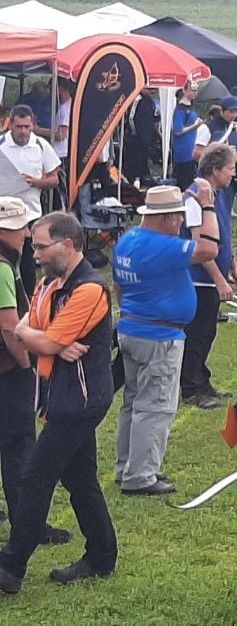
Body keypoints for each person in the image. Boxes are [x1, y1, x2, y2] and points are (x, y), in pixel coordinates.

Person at [0, 212, 117, 594]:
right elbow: (24, 327)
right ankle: (102, 556)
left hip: (81, 400)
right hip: (62, 395)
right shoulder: (50, 284)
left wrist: (49, 340)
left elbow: (40, 337)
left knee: (35, 477)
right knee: (80, 478)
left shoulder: (90, 289)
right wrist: (50, 340)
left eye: (41, 247)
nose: (35, 254)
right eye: (33, 246)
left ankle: (10, 567)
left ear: (67, 244)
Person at [114, 185, 219, 496]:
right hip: (159, 335)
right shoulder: (161, 245)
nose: (182, 223)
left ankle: (128, 466)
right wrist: (207, 207)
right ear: (168, 217)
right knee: (155, 406)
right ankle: (141, 475)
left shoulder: (128, 240)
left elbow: (119, 286)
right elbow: (209, 249)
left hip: (133, 327)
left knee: (133, 403)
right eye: (179, 217)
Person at [0, 199, 69, 548]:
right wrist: (27, 366)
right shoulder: (2, 267)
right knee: (19, 448)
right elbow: (8, 324)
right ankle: (28, 523)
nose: (27, 234)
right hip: (8, 370)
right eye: (21, 227)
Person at [180, 144, 237, 409]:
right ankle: (191, 388)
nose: (234, 173)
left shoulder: (219, 194)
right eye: (230, 168)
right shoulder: (195, 197)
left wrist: (233, 264)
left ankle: (202, 381)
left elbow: (223, 234)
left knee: (207, 332)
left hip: (209, 278)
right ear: (215, 169)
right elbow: (200, 246)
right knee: (197, 334)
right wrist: (218, 278)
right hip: (198, 279)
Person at [0, 105, 61, 294]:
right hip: (4, 213)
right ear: (11, 124)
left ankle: (27, 298)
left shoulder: (41, 145)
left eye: (27, 127)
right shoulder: (1, 143)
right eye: (19, 127)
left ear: (33, 124)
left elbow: (55, 179)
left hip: (30, 213)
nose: (23, 131)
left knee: (28, 260)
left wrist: (37, 182)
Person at [195, 97, 237, 211]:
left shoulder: (235, 128)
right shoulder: (207, 128)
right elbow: (197, 154)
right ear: (222, 110)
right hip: (212, 177)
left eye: (236, 111)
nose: (234, 115)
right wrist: (219, 155)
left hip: (230, 176)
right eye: (231, 111)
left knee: (226, 210)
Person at [123, 87, 159, 186]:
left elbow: (153, 119)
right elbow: (131, 118)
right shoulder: (137, 99)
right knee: (134, 162)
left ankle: (143, 179)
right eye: (150, 89)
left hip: (146, 139)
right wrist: (136, 133)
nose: (153, 91)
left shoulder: (151, 102)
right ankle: (134, 180)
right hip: (135, 139)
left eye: (154, 89)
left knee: (143, 160)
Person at [172, 84, 202, 191]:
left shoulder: (191, 108)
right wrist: (195, 125)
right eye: (192, 90)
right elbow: (178, 130)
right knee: (184, 183)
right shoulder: (180, 109)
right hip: (184, 151)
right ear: (184, 91)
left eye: (196, 90)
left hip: (191, 149)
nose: (195, 93)